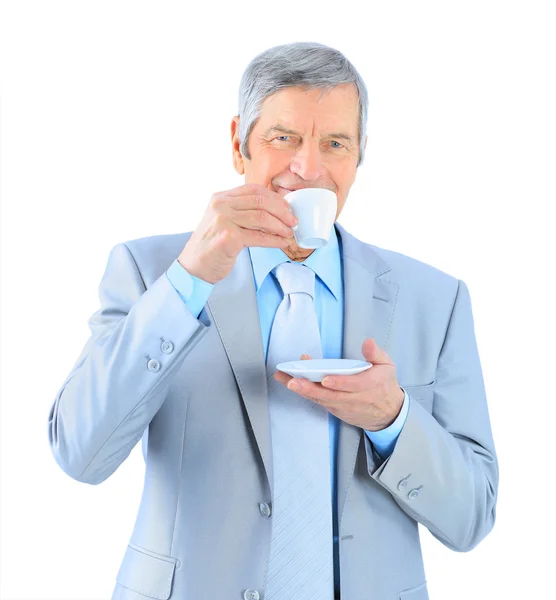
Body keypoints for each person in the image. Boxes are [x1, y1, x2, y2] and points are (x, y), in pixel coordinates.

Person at [48, 41, 499, 600]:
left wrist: (393, 419)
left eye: (335, 143)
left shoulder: (435, 299)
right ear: (239, 144)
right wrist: (188, 281)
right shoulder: (150, 273)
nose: (308, 168)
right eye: (282, 138)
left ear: (359, 157)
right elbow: (78, 452)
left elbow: (473, 516)